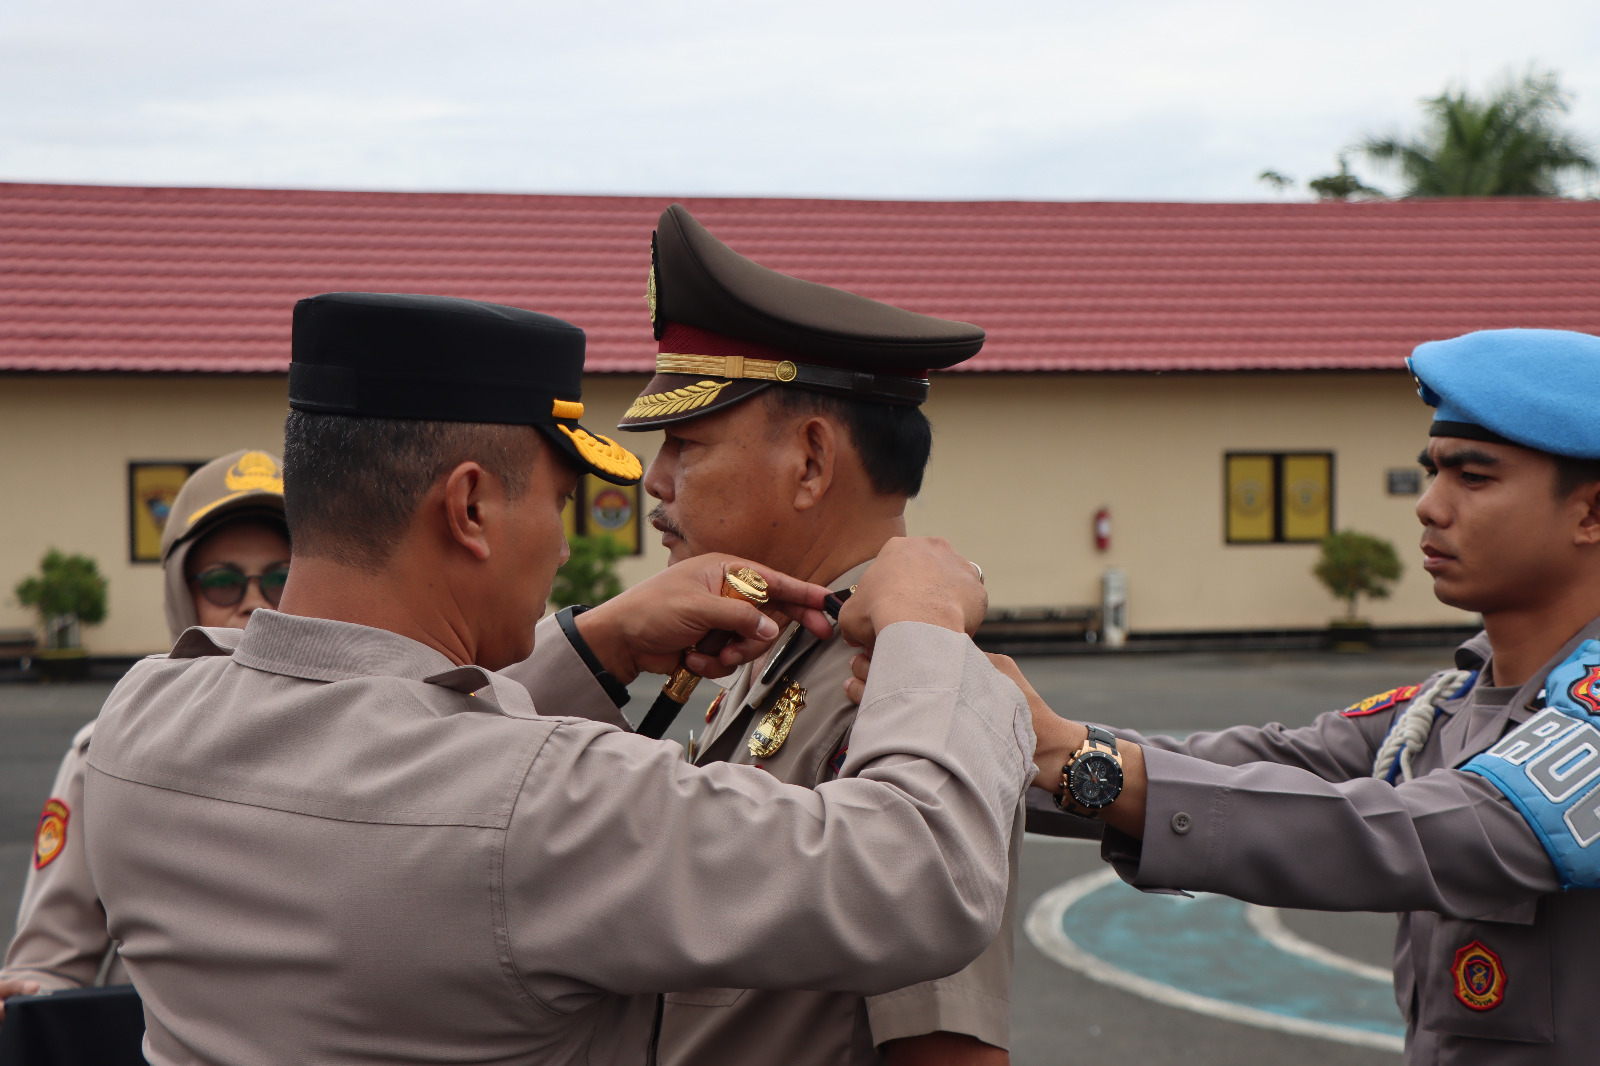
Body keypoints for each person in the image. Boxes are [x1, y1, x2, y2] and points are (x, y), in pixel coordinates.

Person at [79, 292, 1036, 1066]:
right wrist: (926, 625)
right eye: (560, 502)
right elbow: (920, 876)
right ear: (469, 509)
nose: (573, 543)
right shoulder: (541, 800)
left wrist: (602, 643)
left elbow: (378, 732)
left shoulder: (141, 721)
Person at [994, 329, 1600, 1065]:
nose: (1429, 506)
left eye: (1473, 477)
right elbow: (1247, 765)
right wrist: (979, 733)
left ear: (1591, 513)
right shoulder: (1448, 706)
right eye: (1432, 472)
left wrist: (1074, 757)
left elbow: (1406, 834)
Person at [616, 204, 1016, 1066]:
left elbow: (945, 1052)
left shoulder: (901, 691)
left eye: (686, 444)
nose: (656, 481)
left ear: (810, 463)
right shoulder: (771, 649)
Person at [0, 449, 289, 1020]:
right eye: (223, 582)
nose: (254, 604)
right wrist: (28, 999)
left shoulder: (376, 743)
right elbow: (49, 966)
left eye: (283, 578)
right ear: (183, 593)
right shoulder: (107, 753)